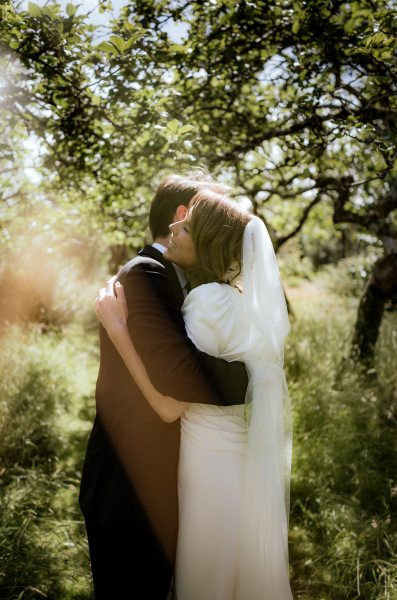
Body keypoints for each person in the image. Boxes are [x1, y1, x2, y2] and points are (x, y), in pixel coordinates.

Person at [96, 190, 294, 599]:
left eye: (184, 227)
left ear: (204, 241)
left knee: (207, 580)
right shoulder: (249, 303)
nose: (173, 228)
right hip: (245, 461)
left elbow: (169, 406)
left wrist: (118, 332)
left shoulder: (204, 301)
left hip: (207, 463)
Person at [79, 175, 249, 599]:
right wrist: (255, 378)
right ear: (182, 216)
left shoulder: (181, 281)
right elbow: (177, 374)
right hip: (128, 493)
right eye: (203, 218)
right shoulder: (146, 274)